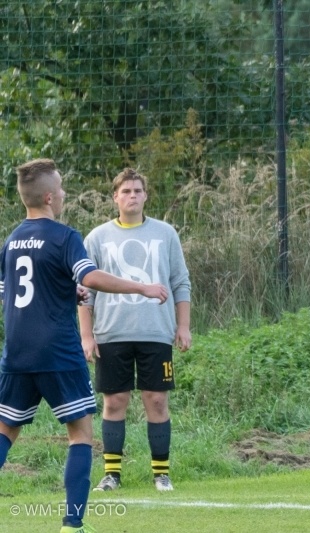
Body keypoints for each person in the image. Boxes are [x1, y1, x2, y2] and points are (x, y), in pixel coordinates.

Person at [0, 159, 168, 533]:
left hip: (16, 353)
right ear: (48, 196)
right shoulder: (64, 236)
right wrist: (141, 286)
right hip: (58, 352)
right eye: (60, 189)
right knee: (80, 434)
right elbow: (90, 276)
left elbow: (11, 294)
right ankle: (72, 524)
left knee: (5, 431)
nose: (63, 194)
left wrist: (62, 290)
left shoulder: (11, 241)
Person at [78, 168, 192, 493]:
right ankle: (112, 474)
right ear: (115, 197)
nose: (132, 196)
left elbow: (180, 282)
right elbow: (85, 290)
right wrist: (87, 335)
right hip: (112, 334)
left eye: (137, 190)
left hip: (156, 332)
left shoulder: (165, 233)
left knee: (156, 400)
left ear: (146, 196)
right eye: (125, 191)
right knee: (115, 401)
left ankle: (161, 474)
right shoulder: (97, 237)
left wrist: (183, 326)